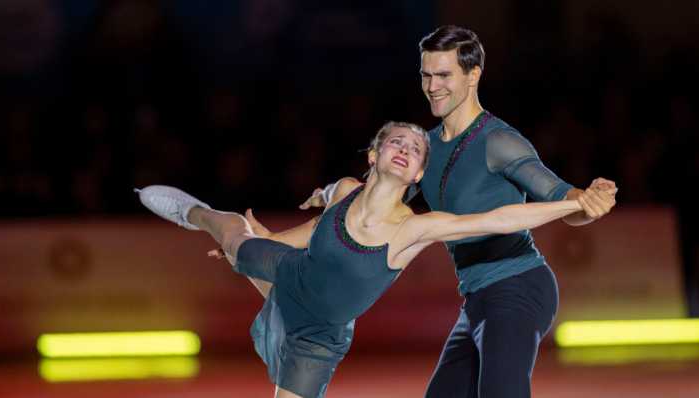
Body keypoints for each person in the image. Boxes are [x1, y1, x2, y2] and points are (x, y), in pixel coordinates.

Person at [251, 26, 618, 398]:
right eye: (426, 75)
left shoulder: (498, 141)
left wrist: (588, 201)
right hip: (477, 299)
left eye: (444, 75)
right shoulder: (424, 150)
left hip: (519, 286)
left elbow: (562, 197)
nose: (432, 86)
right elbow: (365, 204)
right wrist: (284, 228)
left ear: (473, 75)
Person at [136, 121, 599, 398]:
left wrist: (573, 202)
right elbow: (320, 229)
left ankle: (244, 253)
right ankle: (196, 212)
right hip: (290, 272)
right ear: (376, 155)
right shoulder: (344, 190)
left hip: (319, 336)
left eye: (416, 150)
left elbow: (501, 218)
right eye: (396, 143)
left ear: (419, 173)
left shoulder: (414, 228)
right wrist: (270, 236)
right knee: (236, 233)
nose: (405, 150)